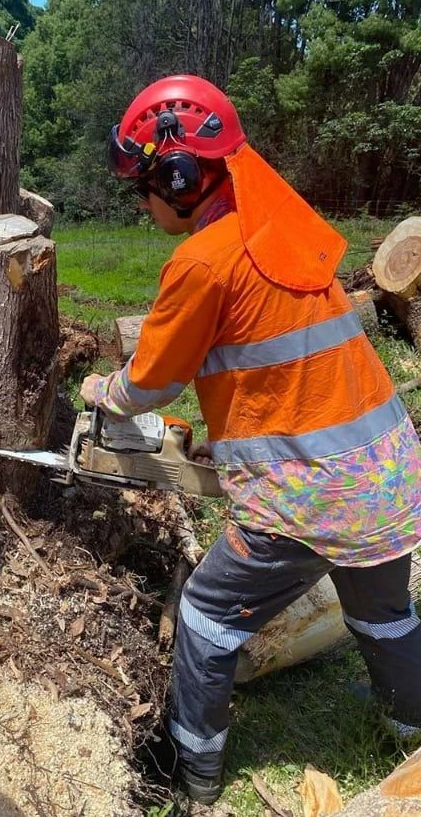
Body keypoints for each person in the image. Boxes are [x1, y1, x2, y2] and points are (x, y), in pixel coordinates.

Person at [79, 74, 421, 806]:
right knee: (381, 613)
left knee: (205, 616)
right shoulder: (278, 230)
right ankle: (406, 730)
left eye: (144, 185)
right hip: (385, 466)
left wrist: (101, 392)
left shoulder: (203, 259)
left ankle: (193, 772)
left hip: (310, 490)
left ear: (177, 174)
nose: (141, 203)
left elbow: (149, 384)